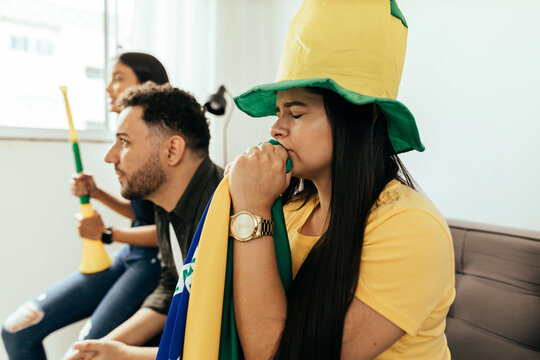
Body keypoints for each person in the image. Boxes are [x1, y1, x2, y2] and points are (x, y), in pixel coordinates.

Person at [227, 1, 455, 359]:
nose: (275, 128)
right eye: (277, 112)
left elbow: (275, 354)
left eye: (296, 112)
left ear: (358, 120)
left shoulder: (411, 228)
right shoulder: (294, 211)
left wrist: (251, 208)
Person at [1, 52, 169, 360]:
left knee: (81, 355)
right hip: (131, 257)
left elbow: (168, 232)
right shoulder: (130, 142)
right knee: (15, 329)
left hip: (153, 265)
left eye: (118, 79)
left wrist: (107, 234)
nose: (108, 89)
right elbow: (144, 213)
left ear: (145, 86)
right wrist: (98, 193)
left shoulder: (163, 147)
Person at [67, 82, 223, 359]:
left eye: (124, 142)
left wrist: (126, 355)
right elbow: (169, 289)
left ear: (172, 151)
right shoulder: (166, 201)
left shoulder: (228, 214)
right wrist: (96, 349)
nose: (109, 157)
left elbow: (227, 344)